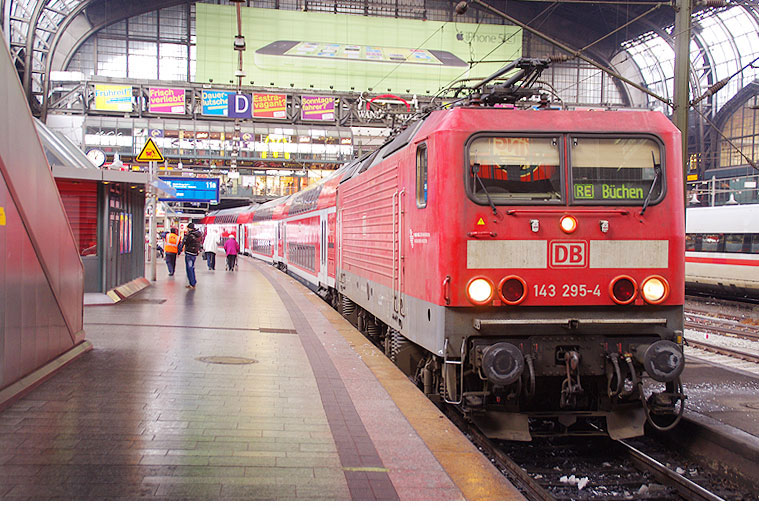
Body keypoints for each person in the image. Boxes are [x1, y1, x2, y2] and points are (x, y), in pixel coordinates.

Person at [178, 223, 203, 288]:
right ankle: (192, 282)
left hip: (189, 253)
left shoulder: (190, 235)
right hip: (194, 253)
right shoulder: (198, 235)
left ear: (189, 228)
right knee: (191, 267)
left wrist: (185, 237)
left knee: (189, 268)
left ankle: (192, 283)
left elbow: (186, 242)